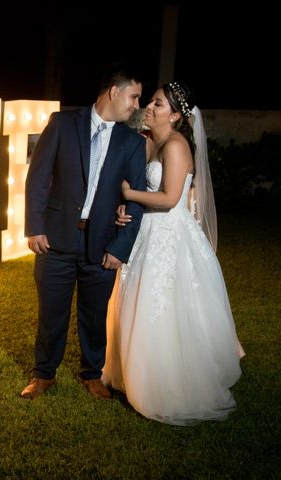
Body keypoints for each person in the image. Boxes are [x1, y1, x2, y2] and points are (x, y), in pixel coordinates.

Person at [102, 82, 245, 425]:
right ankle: (128, 370)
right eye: (150, 100)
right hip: (146, 232)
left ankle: (164, 381)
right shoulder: (148, 141)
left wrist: (129, 193)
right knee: (134, 300)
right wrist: (124, 206)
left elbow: (168, 199)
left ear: (177, 115)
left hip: (170, 236)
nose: (148, 106)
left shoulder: (177, 145)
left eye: (158, 103)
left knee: (162, 306)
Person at [21, 64, 147, 400]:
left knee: (94, 315)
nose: (137, 105)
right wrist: (34, 227)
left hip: (102, 242)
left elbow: (136, 199)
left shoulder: (133, 142)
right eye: (134, 96)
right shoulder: (63, 124)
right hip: (57, 238)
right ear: (113, 91)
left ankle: (92, 374)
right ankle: (43, 374)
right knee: (51, 312)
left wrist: (120, 247)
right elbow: (37, 178)